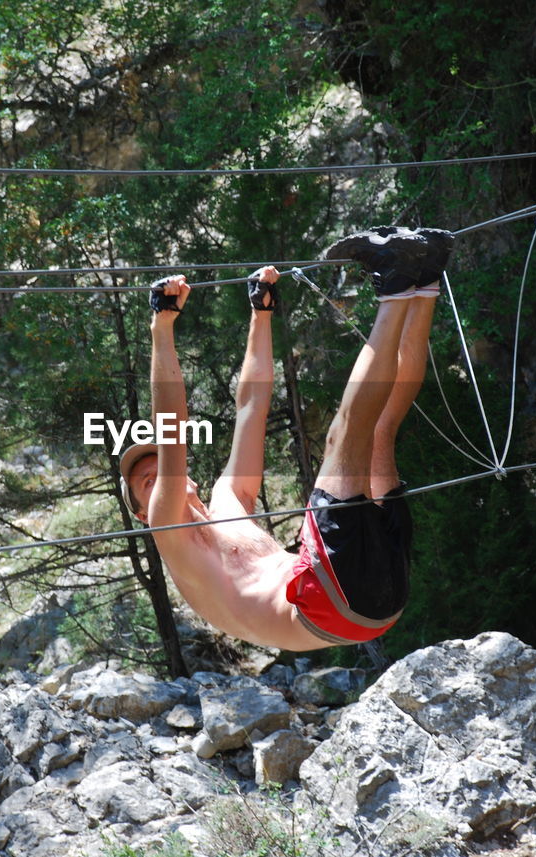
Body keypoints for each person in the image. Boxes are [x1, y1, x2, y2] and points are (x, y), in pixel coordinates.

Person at [118, 226, 453, 650]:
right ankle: (395, 284)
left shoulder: (228, 500)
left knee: (380, 429)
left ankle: (424, 279)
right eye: (147, 483)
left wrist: (261, 315)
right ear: (145, 516)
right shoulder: (171, 535)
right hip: (328, 606)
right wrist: (161, 327)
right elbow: (171, 436)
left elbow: (251, 406)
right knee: (343, 438)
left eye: (154, 473)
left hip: (370, 593)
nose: (159, 477)